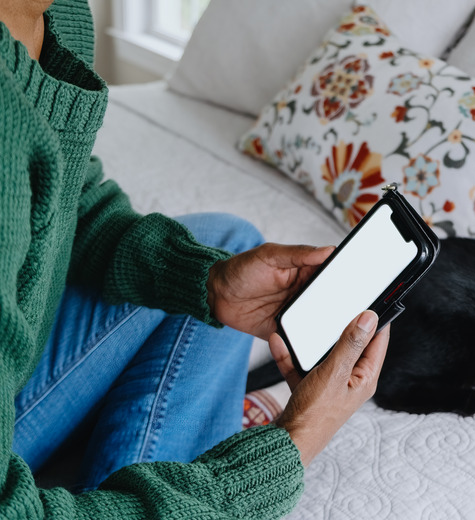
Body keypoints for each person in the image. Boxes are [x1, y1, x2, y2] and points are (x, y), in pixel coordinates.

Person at [0, 0, 389, 518]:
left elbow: (61, 199)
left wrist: (208, 281)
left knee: (228, 240)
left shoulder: (54, 13)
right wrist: (292, 444)